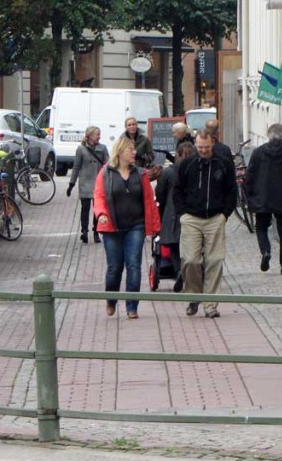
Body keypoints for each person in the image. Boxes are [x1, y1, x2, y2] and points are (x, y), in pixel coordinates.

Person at [93, 136, 161, 319]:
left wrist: (155, 225)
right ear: (120, 152)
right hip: (112, 228)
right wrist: (101, 215)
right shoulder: (105, 173)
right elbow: (98, 197)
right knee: (114, 267)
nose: (134, 152)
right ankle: (111, 299)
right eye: (130, 149)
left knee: (134, 265)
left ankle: (132, 306)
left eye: (134, 149)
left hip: (135, 226)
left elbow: (149, 200)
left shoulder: (140, 174)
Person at [174, 130, 237, 318]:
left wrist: (225, 214)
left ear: (213, 143)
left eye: (207, 147)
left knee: (215, 260)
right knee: (190, 260)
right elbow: (177, 190)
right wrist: (182, 213)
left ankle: (211, 304)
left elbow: (232, 191)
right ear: (195, 145)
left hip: (215, 217)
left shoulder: (224, 163)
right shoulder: (187, 164)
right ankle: (193, 295)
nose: (203, 151)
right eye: (200, 147)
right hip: (191, 217)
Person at [244, 123, 282, 275]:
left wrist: (250, 195)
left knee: (261, 227)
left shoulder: (258, 153)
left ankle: (266, 251)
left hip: (262, 198)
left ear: (269, 135)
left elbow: (249, 176)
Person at [156, 141, 195, 292]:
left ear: (177, 155)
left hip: (171, 214)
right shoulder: (195, 170)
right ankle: (188, 272)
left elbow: (160, 194)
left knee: (173, 247)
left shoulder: (168, 172)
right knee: (191, 248)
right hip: (191, 214)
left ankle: (179, 271)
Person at [67, 126, 109, 244]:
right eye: (97, 134)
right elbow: (76, 167)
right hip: (85, 182)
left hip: (98, 183)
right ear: (89, 136)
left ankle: (96, 231)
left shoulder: (103, 148)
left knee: (98, 209)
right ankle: (84, 231)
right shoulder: (81, 149)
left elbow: (108, 165)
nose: (99, 136)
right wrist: (72, 183)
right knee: (85, 208)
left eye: (99, 134)